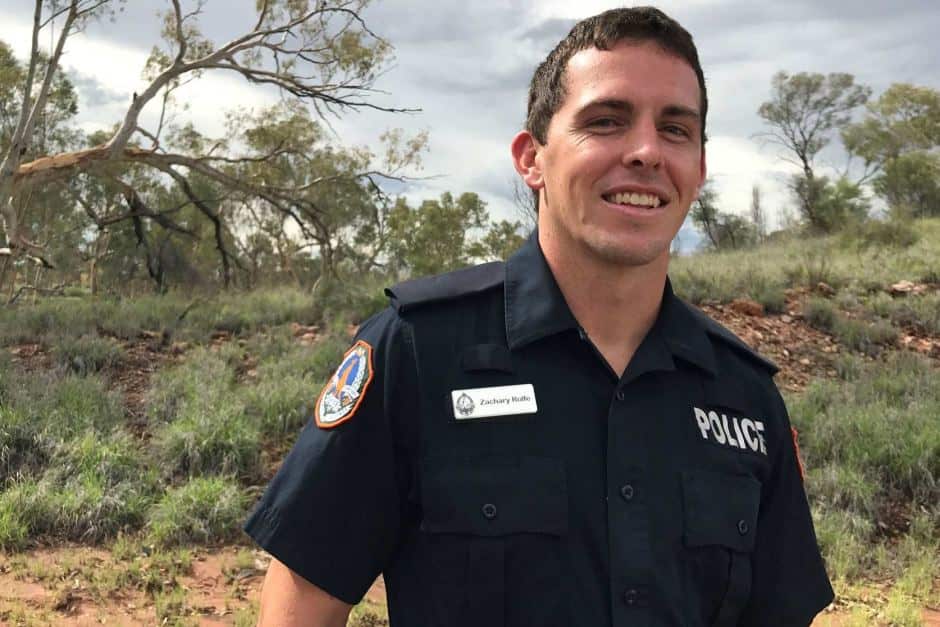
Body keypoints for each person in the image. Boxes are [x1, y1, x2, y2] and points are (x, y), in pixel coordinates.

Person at [244, 6, 835, 626]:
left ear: (699, 171)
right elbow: (304, 600)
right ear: (531, 159)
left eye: (676, 130)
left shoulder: (745, 394)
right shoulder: (418, 351)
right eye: (606, 121)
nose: (645, 152)